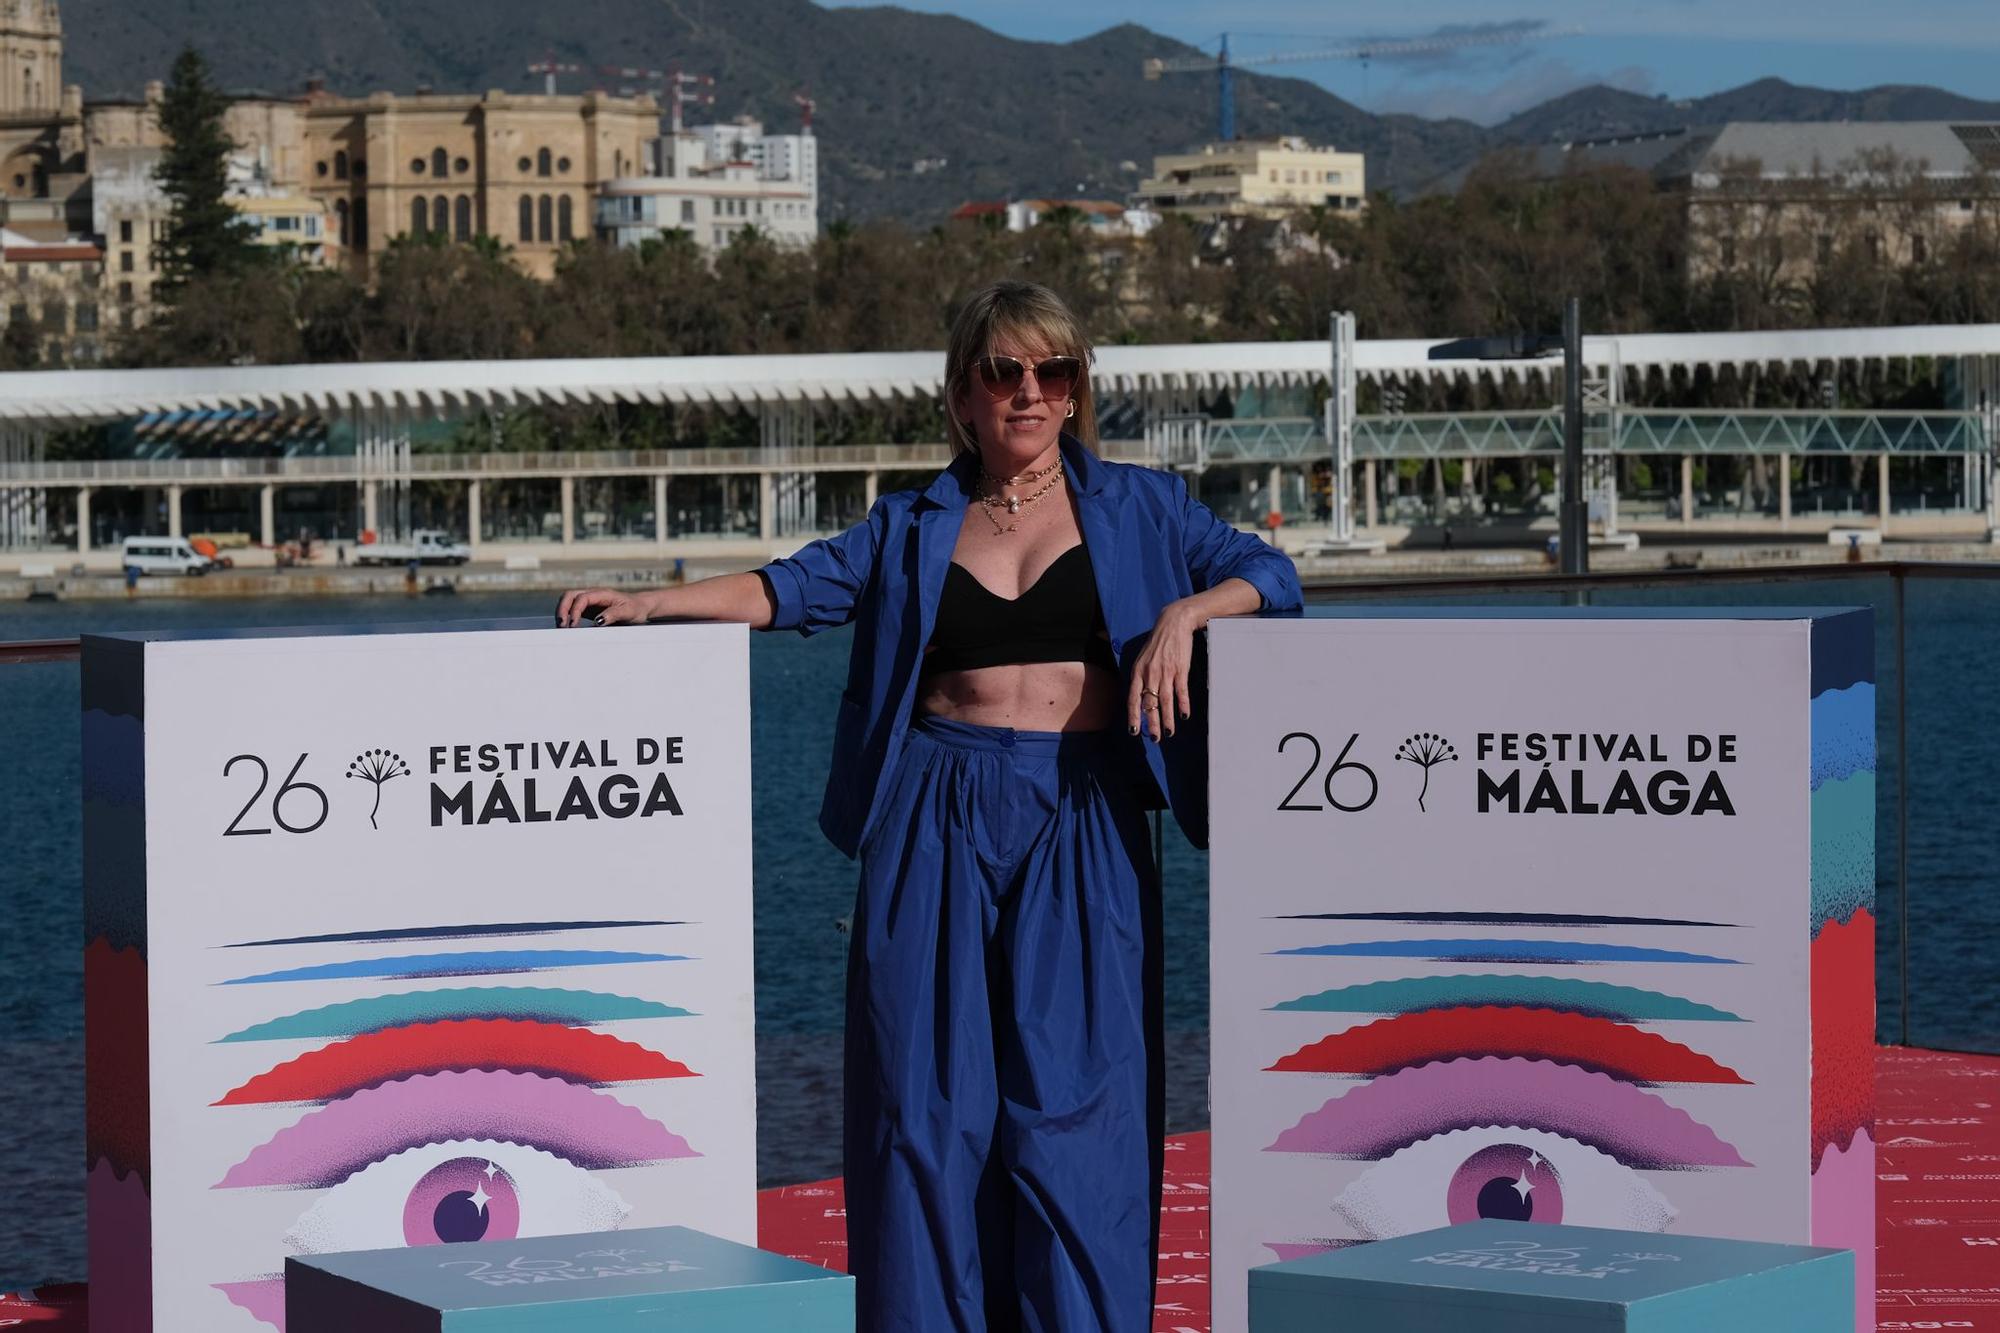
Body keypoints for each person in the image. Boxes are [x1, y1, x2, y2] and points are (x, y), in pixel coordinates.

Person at [557, 279, 1302, 1332]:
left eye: (1055, 372)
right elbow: (790, 589)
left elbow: (1272, 573)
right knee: (922, 1110)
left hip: (1081, 819)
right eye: (1005, 373)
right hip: (931, 818)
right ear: (960, 395)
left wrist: (1187, 610)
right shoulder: (910, 523)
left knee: (1077, 1115)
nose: (1031, 393)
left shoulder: (1143, 509)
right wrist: (651, 602)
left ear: (1079, 388)